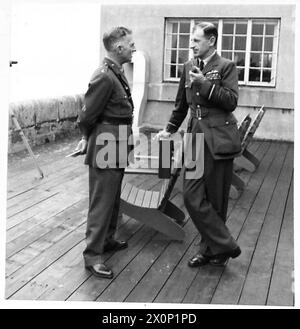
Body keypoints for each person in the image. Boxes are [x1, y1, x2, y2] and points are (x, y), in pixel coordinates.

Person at [155, 22, 242, 267]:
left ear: (211, 41)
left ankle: (210, 251)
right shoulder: (187, 67)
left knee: (216, 198)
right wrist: (169, 129)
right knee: (192, 194)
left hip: (218, 139)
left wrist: (205, 83)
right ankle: (226, 244)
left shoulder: (226, 67)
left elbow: (231, 101)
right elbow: (181, 104)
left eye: (196, 40)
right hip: (194, 136)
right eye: (191, 40)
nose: (191, 44)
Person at [75, 26, 136, 279]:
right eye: (130, 44)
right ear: (118, 48)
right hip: (107, 142)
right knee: (102, 200)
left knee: (113, 196)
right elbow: (87, 115)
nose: (134, 47)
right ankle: (93, 255)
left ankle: (108, 239)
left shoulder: (116, 72)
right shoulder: (104, 76)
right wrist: (86, 138)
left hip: (118, 139)